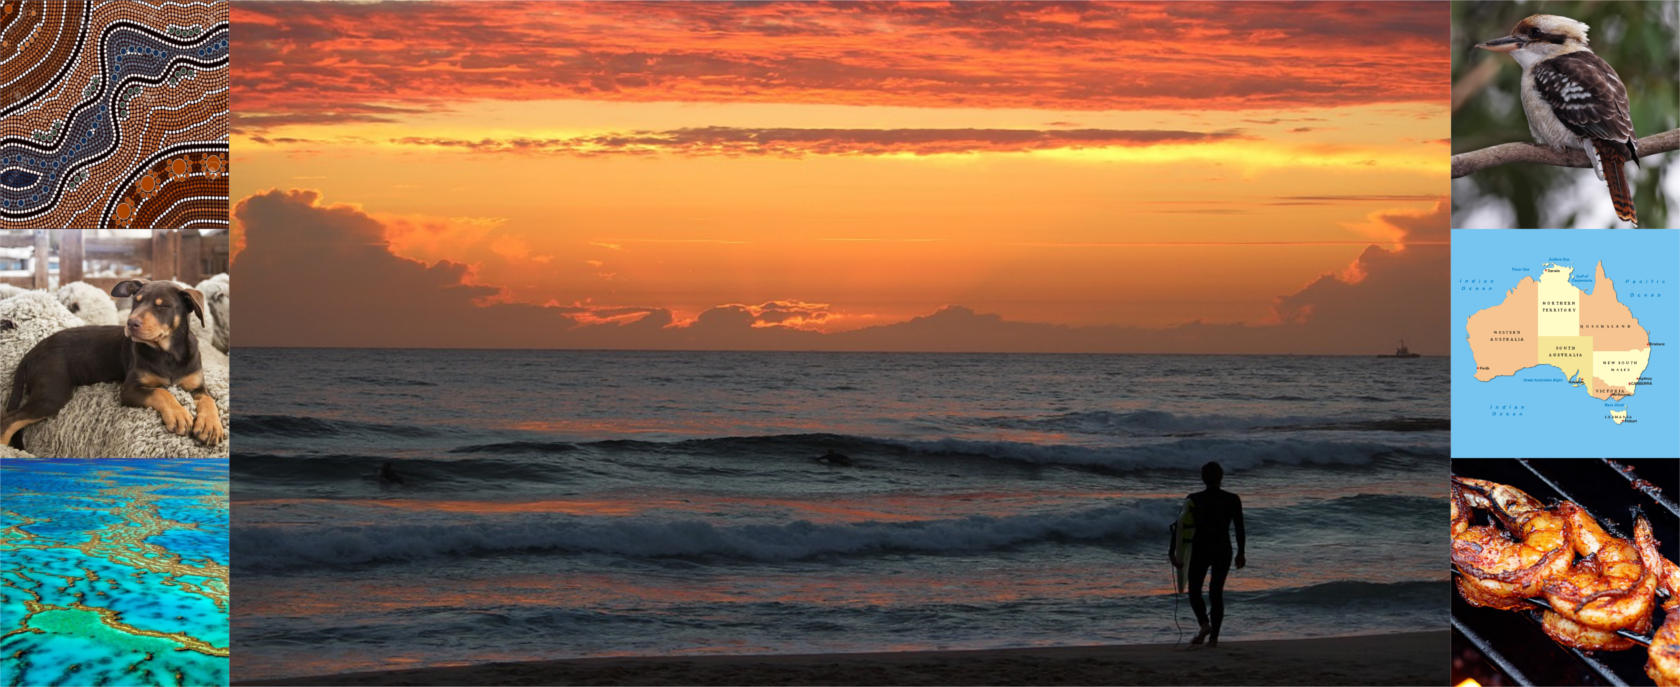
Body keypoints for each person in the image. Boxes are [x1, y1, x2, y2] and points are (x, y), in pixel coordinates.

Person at [1169, 461, 1245, 647]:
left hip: (1201, 548)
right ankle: (1214, 639)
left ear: (1203, 478)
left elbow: (1180, 527)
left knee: (1195, 591)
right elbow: (1240, 528)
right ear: (1221, 477)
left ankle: (1204, 624)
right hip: (1223, 549)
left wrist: (1173, 553)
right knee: (1216, 593)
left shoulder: (1194, 498)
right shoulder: (1232, 499)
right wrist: (1241, 553)